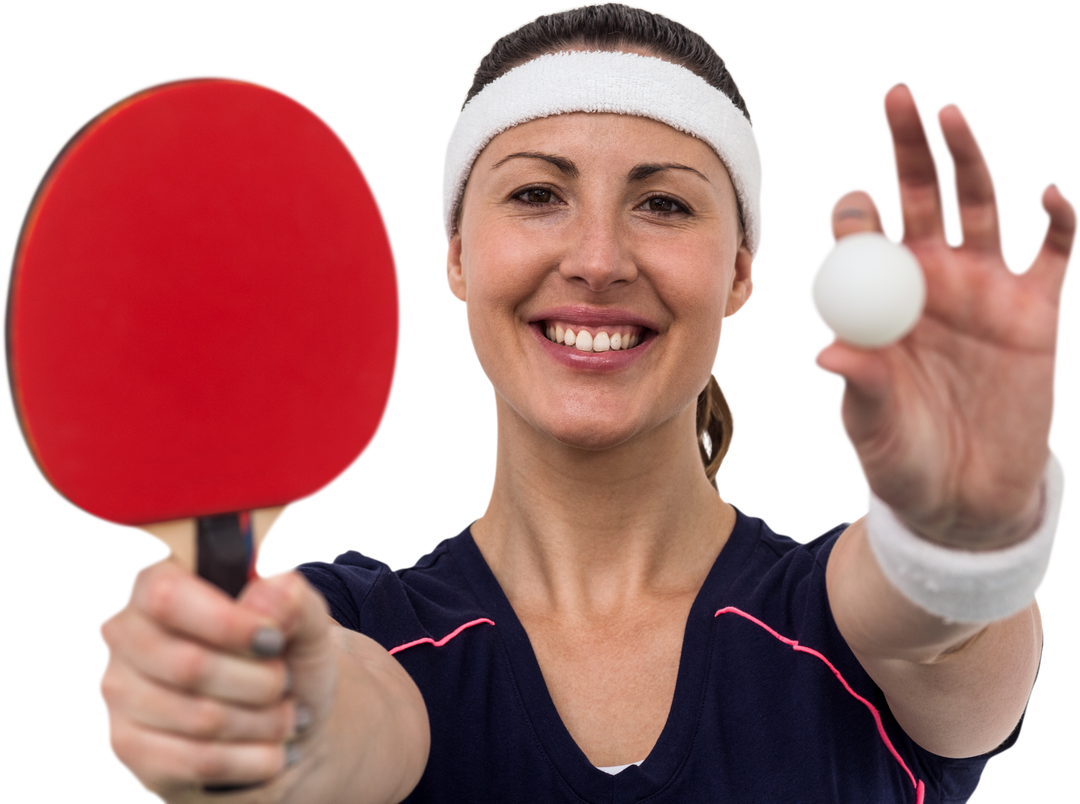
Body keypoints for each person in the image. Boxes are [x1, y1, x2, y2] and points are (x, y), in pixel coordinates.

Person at [91, 3, 1074, 802]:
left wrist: (962, 534)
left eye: (664, 203)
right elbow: (356, 723)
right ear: (458, 259)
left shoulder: (836, 620)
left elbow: (938, 618)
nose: (597, 259)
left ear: (739, 273)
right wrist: (262, 704)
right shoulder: (356, 627)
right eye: (535, 195)